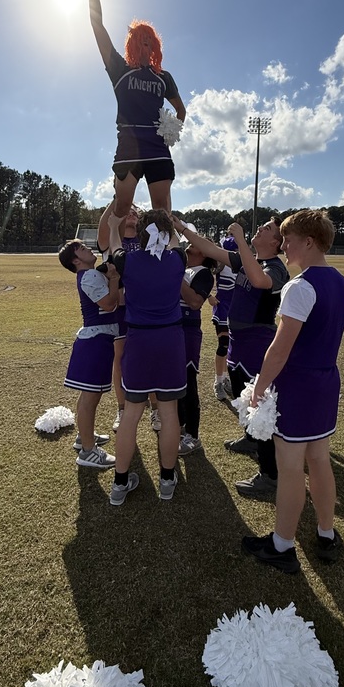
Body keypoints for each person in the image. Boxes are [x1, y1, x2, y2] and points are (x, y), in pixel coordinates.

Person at [241, 210, 344, 574]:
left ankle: (282, 545)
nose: (284, 245)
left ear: (309, 241)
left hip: (298, 385)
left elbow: (280, 347)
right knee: (319, 459)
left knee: (290, 469)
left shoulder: (300, 286)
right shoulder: (340, 281)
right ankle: (325, 533)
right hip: (325, 382)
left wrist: (259, 385)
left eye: (289, 238)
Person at [172, 215, 289, 500]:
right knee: (241, 394)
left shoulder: (275, 268)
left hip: (257, 343)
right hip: (239, 342)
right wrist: (181, 228)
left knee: (260, 404)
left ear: (276, 242)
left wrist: (239, 239)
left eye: (267, 228)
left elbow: (261, 282)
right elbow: (209, 248)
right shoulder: (250, 259)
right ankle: (251, 438)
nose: (259, 228)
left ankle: (270, 476)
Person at [88, 0, 187, 217]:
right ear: (132, 42)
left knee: (162, 210)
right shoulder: (119, 69)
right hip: (129, 145)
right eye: (141, 40)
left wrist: (170, 130)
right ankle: (114, 251)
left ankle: (163, 253)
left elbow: (181, 110)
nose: (146, 44)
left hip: (156, 146)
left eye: (150, 41)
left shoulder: (163, 77)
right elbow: (97, 24)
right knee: (122, 207)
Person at [106, 209, 187, 505]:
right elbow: (176, 241)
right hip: (170, 341)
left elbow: (115, 247)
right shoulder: (178, 259)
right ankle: (167, 479)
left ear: (141, 233)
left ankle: (119, 483)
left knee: (131, 415)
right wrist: (171, 222)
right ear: (166, 233)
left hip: (139, 341)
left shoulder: (128, 261)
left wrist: (115, 224)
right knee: (168, 414)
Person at [97, 201, 162, 436]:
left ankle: (155, 408)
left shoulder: (148, 239)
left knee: (150, 358)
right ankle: (122, 408)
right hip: (122, 309)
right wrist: (120, 197)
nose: (132, 211)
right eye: (128, 209)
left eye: (136, 210)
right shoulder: (110, 239)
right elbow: (105, 225)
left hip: (147, 308)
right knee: (120, 358)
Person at [58, 239, 121, 469]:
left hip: (97, 339)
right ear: (76, 260)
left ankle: (84, 436)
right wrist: (114, 279)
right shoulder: (90, 276)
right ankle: (87, 451)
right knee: (90, 398)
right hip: (96, 341)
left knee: (88, 396)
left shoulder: (90, 275)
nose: (88, 248)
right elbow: (109, 304)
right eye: (82, 249)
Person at [178, 244, 216, 454]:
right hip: (171, 331)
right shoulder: (183, 269)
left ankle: (192, 435)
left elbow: (194, 302)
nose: (191, 243)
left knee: (187, 383)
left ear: (204, 252)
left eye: (198, 242)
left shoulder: (204, 274)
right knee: (173, 383)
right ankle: (178, 427)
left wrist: (176, 276)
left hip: (188, 333)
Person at [210, 236, 238, 401]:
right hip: (222, 307)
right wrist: (208, 295)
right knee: (223, 345)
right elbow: (201, 275)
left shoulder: (242, 264)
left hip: (236, 310)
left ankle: (226, 377)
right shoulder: (219, 263)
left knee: (231, 347)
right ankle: (218, 381)